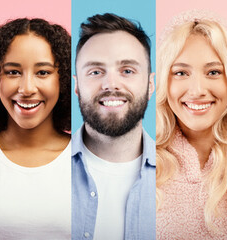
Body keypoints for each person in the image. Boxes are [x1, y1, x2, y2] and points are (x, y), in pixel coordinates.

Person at [155, 11, 227, 239]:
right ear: (164, 82)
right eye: (181, 72)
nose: (197, 90)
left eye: (213, 72)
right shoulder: (141, 162)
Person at [72, 13, 156, 239]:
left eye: (127, 70)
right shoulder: (49, 166)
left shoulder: (178, 176)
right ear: (77, 85)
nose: (111, 84)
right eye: (96, 72)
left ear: (150, 85)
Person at [0, 17, 72, 239]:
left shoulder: (87, 158)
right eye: (13, 72)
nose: (27, 89)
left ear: (61, 80)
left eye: (42, 72)